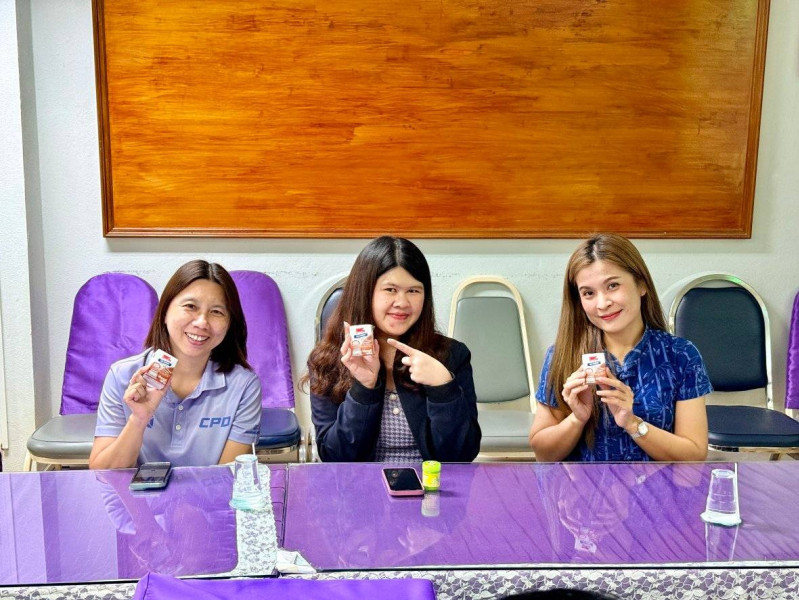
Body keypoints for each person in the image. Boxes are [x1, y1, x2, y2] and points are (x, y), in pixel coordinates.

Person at [529, 233, 711, 462]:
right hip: (584, 485)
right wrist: (577, 419)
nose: (602, 303)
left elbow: (694, 456)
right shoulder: (561, 355)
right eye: (588, 293)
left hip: (658, 485)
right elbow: (543, 454)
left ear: (641, 284)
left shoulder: (681, 355)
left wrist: (632, 423)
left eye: (613, 285)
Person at [303, 236, 481, 462]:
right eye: (390, 289)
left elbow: (462, 457)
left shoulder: (451, 355)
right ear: (365, 293)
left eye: (413, 291)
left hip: (432, 482)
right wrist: (364, 388)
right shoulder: (328, 360)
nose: (402, 302)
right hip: (361, 483)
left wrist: (443, 387)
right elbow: (335, 458)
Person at [89, 260, 261, 469]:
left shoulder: (243, 385)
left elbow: (227, 476)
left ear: (229, 324)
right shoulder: (122, 376)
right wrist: (139, 419)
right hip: (136, 492)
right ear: (164, 312)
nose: (202, 322)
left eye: (217, 311)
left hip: (210, 491)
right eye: (190, 307)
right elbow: (103, 473)